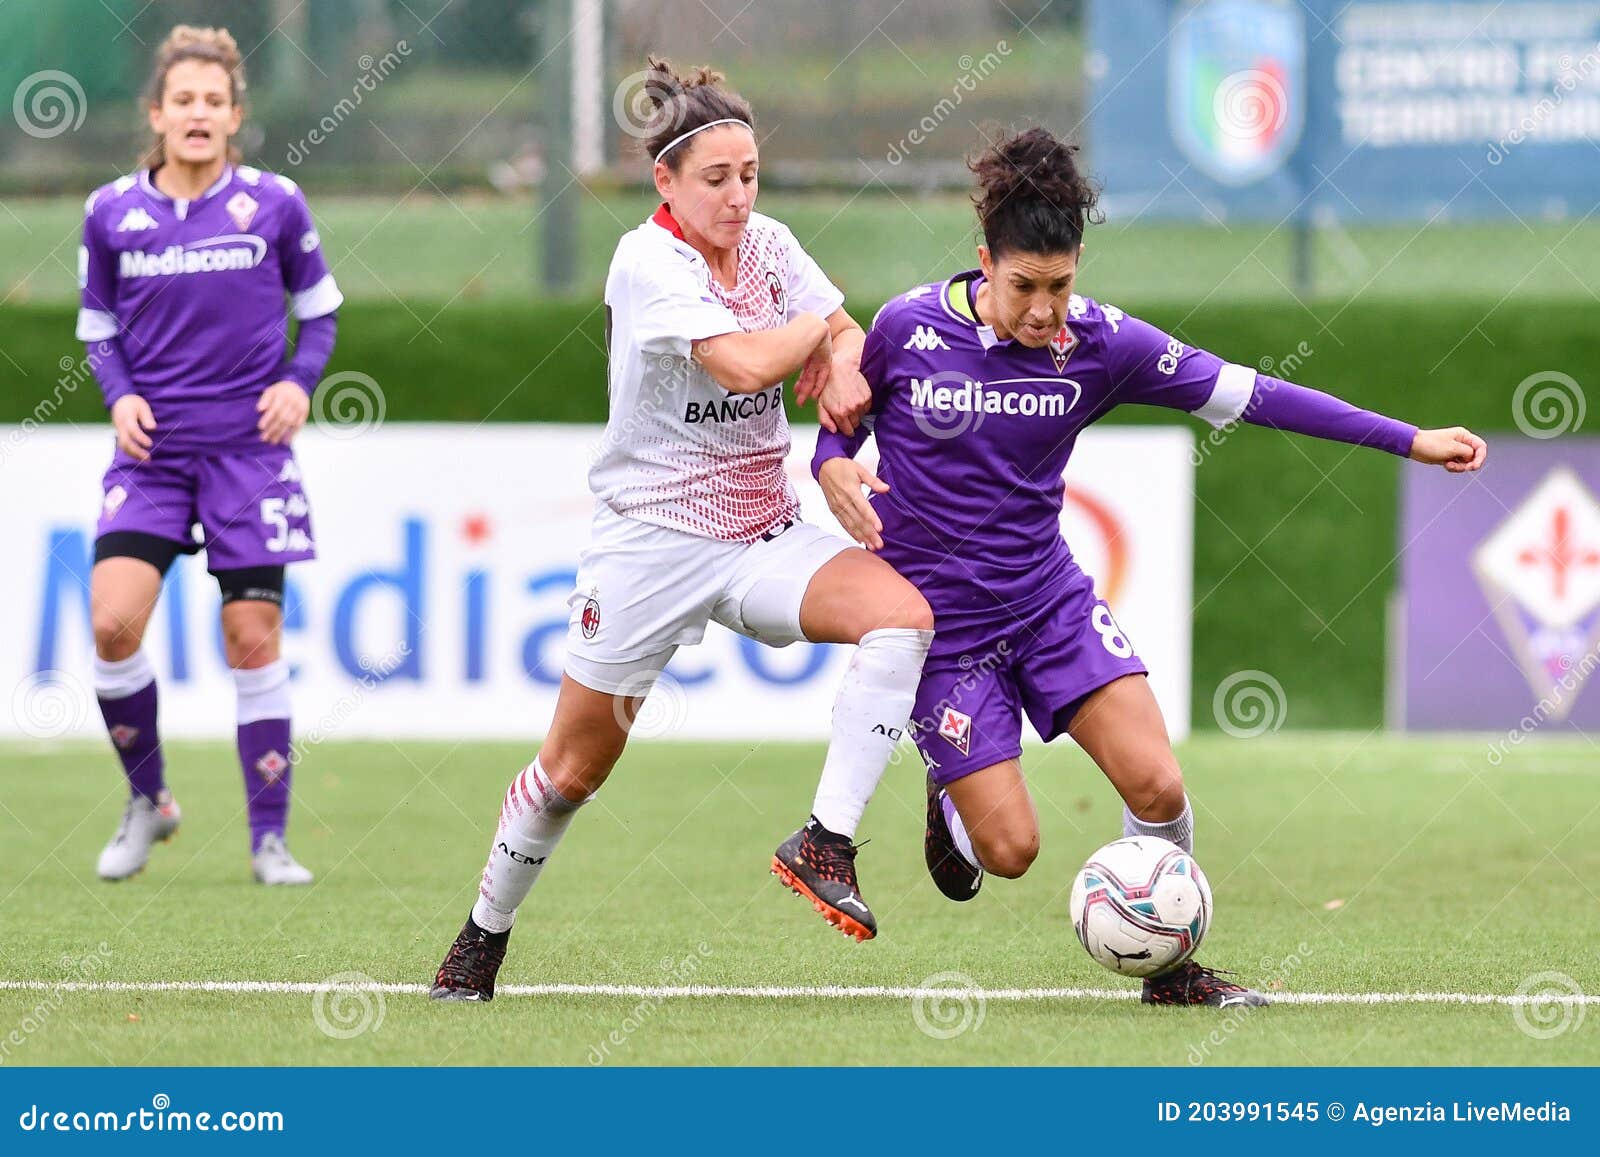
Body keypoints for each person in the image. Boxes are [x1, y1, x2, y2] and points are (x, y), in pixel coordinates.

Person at [812, 127, 1487, 1006]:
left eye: (1060, 285)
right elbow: (839, 420)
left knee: (1158, 781)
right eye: (1024, 287)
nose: (1044, 310)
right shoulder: (906, 328)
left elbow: (1255, 392)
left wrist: (1409, 440)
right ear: (985, 262)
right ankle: (951, 800)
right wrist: (831, 461)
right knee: (1010, 852)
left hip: (1046, 603)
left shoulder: (1102, 342)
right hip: (944, 632)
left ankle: (1172, 972)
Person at [429, 58, 933, 1001]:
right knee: (573, 770)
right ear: (665, 180)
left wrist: (841, 340)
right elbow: (746, 367)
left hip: (763, 532)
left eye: (749, 175)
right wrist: (819, 335)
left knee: (902, 617)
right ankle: (481, 936)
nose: (739, 197)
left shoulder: (774, 245)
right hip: (649, 545)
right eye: (716, 178)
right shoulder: (645, 258)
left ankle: (824, 840)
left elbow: (849, 330)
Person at [79, 26, 342, 885]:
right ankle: (149, 801)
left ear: (236, 116)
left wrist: (300, 381)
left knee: (251, 637)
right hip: (153, 456)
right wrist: (119, 395)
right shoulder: (111, 211)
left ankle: (270, 838)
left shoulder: (275, 203)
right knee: (113, 622)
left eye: (214, 101)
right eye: (182, 100)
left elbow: (322, 310)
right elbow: (97, 328)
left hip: (248, 453)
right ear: (157, 114)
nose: (199, 113)